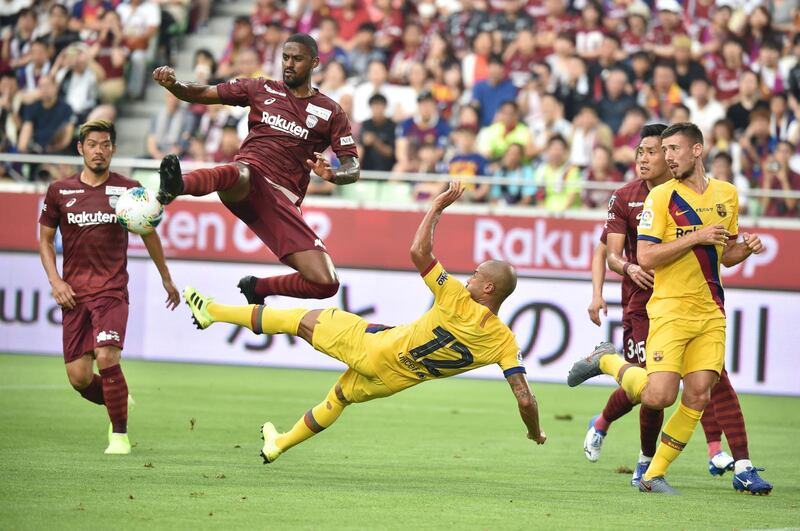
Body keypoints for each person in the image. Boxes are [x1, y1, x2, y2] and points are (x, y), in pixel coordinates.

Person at [182, 181, 546, 463]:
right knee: (338, 397)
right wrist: (535, 431)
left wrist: (436, 206)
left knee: (299, 320)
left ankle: (212, 311)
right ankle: (279, 443)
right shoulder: (505, 342)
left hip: (374, 348)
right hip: (392, 380)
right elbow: (525, 399)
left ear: (488, 287)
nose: (468, 278)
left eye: (475, 275)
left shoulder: (456, 297)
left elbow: (419, 252)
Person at [569, 122, 772, 495]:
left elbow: (724, 255)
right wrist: (697, 235)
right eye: (661, 151)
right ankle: (606, 362)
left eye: (672, 150)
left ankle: (653, 473)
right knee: (658, 395)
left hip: (711, 310)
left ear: (697, 150)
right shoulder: (660, 198)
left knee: (700, 393)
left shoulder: (727, 194)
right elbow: (644, 255)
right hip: (666, 309)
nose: (666, 157)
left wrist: (746, 248)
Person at [151, 34, 359, 305]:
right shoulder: (260, 88)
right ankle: (178, 186)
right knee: (239, 172)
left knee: (326, 282)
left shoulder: (331, 111)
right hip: (248, 180)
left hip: (281, 202)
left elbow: (352, 166)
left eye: (297, 59)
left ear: (315, 62)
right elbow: (202, 92)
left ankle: (258, 288)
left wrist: (333, 174)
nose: (289, 64)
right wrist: (174, 85)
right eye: (285, 57)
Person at [37, 120, 180, 455]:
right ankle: (117, 395)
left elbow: (148, 232)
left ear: (113, 149)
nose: (98, 151)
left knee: (106, 355)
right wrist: (55, 281)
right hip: (73, 295)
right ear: (80, 149)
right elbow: (44, 240)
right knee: (79, 377)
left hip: (112, 291)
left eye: (104, 144)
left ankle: (119, 436)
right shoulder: (60, 191)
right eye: (92, 144)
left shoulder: (128, 192)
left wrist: (165, 277)